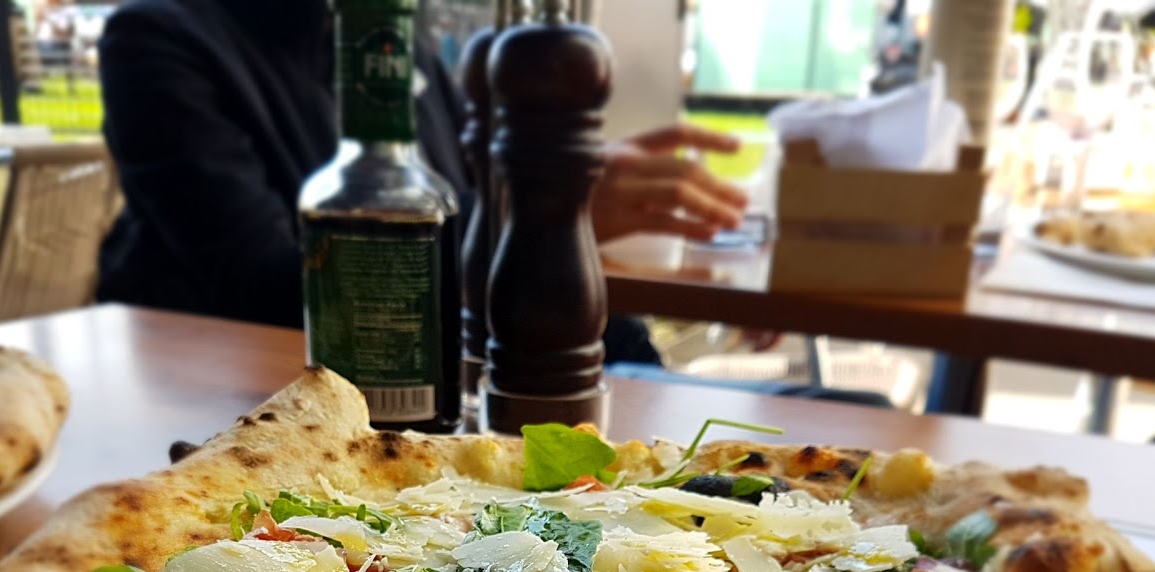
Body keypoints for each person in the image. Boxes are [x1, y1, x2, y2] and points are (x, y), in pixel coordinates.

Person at [95, 0, 748, 345]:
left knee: (626, 349)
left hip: (425, 361)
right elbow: (261, 286)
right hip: (234, 393)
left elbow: (473, 203)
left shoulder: (402, 46)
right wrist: (536, 210)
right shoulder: (157, 36)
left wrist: (552, 200)